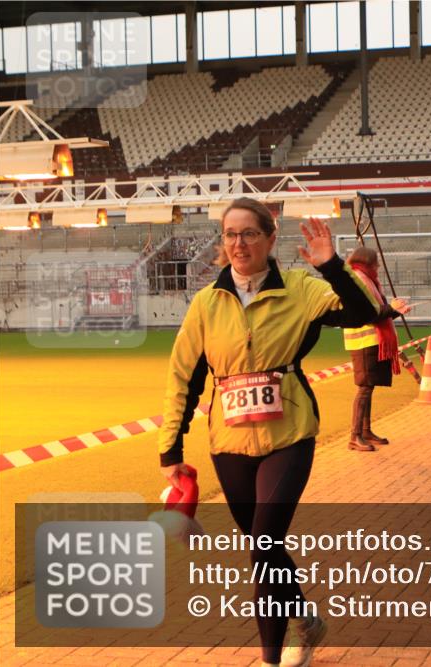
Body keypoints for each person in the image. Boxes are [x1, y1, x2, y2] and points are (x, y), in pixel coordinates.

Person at [158, 198, 380, 667]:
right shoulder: (206, 303)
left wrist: (332, 266)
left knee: (262, 543)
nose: (239, 243)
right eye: (230, 234)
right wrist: (170, 449)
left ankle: (271, 659)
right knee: (266, 548)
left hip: (289, 434)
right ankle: (304, 617)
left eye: (250, 233)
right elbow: (183, 377)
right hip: (229, 442)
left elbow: (365, 311)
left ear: (270, 239)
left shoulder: (300, 287)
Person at [343, 247, 413, 452]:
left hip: (369, 340)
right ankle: (355, 436)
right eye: (376, 264)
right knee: (364, 387)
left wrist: (395, 310)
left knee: (368, 387)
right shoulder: (359, 279)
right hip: (363, 341)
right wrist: (392, 307)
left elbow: (377, 312)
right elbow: (370, 312)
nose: (379, 267)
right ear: (368, 263)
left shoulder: (363, 278)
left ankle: (365, 431)